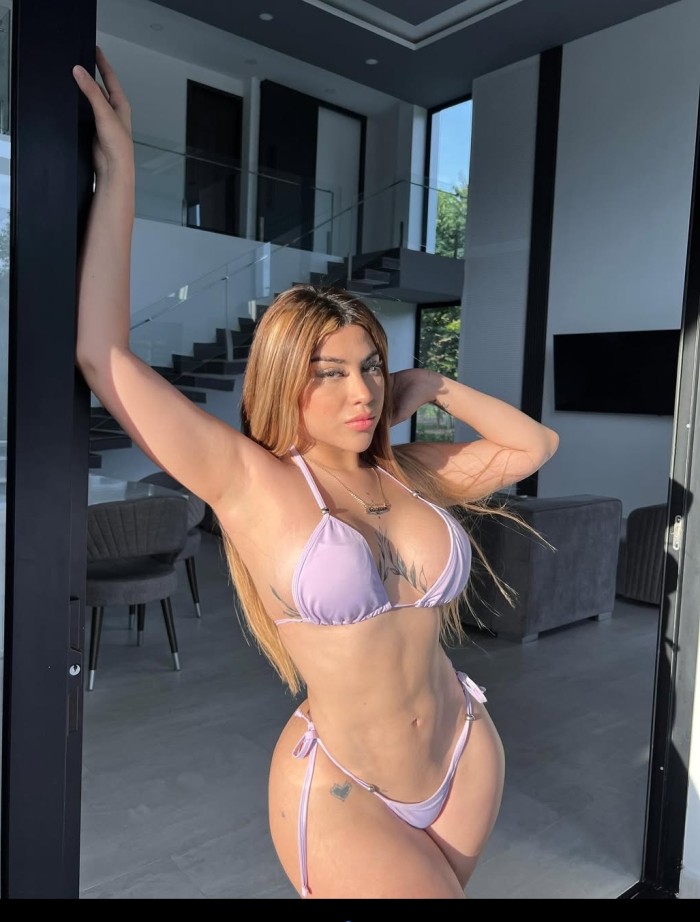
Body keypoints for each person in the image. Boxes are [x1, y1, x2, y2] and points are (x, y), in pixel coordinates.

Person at [73, 48, 559, 900]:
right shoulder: (252, 481)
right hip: (347, 790)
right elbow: (103, 357)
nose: (361, 391)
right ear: (282, 383)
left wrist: (435, 383)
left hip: (465, 752)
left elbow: (534, 447)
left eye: (369, 366)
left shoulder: (410, 473)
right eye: (328, 373)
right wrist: (119, 171)